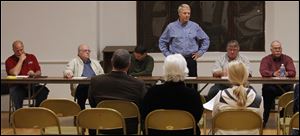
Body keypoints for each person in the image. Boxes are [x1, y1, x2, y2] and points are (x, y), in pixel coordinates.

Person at [142, 54, 203, 135]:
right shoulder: (193, 95)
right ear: (185, 70)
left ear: (165, 70)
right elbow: (197, 118)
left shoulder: (152, 92)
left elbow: (143, 113)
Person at [88, 49, 146, 134]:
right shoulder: (138, 84)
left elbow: (92, 103)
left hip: (103, 125)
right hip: (129, 128)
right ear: (129, 64)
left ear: (112, 62)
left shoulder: (95, 81)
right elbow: (143, 106)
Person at [159, 3, 210, 90]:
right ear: (179, 13)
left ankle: (193, 101)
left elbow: (206, 39)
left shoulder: (194, 26)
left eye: (189, 13)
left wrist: (200, 52)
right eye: (185, 13)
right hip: (176, 60)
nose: (187, 15)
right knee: (175, 83)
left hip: (190, 59)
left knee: (192, 84)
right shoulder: (171, 27)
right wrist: (169, 55)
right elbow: (162, 41)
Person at [212, 61, 264, 135]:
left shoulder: (220, 96)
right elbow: (260, 121)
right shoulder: (258, 99)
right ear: (246, 76)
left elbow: (214, 119)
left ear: (229, 77)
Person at [259, 40, 296, 127]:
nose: (278, 50)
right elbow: (263, 71)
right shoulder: (265, 59)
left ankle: (284, 120)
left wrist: (286, 73)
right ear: (271, 50)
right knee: (267, 91)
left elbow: (293, 72)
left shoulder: (287, 59)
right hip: (271, 87)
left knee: (292, 93)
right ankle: (264, 121)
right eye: (275, 48)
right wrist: (273, 73)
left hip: (285, 86)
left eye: (279, 48)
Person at [5, 40, 49, 110]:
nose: (20, 52)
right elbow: (15, 73)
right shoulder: (9, 60)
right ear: (13, 50)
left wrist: (34, 74)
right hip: (18, 87)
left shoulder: (31, 57)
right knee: (15, 92)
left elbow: (39, 72)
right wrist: (21, 60)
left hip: (32, 86)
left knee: (44, 90)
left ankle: (36, 112)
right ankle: (19, 114)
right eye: (17, 51)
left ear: (23, 47)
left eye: (21, 50)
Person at [63, 44, 104, 110]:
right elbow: (67, 70)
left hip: (94, 85)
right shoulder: (74, 62)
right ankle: (82, 113)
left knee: (99, 90)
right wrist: (68, 73)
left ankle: (96, 112)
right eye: (85, 50)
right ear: (79, 52)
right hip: (81, 86)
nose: (88, 52)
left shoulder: (95, 62)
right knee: (84, 87)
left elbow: (102, 74)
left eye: (89, 51)